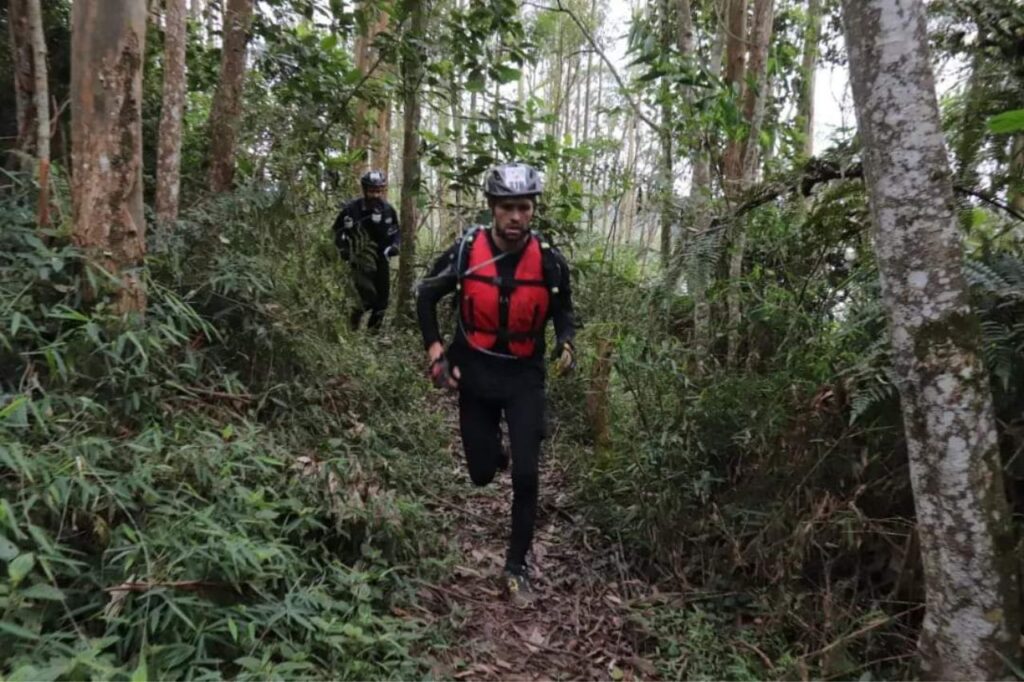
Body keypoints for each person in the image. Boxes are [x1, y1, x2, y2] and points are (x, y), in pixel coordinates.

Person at [415, 162, 577, 604]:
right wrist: (436, 353)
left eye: (523, 207)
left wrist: (566, 343)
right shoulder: (467, 251)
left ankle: (516, 566)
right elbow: (426, 295)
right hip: (476, 372)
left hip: (524, 376)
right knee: (483, 473)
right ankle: (495, 454)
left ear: (533, 210)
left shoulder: (548, 260)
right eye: (507, 207)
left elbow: (564, 311)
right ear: (492, 208)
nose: (516, 217)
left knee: (527, 475)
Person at [332, 170, 400, 330]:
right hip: (358, 259)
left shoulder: (388, 210)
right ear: (365, 190)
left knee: (382, 300)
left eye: (378, 191)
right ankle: (352, 328)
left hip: (381, 259)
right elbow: (336, 230)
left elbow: (397, 232)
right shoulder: (351, 209)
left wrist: (395, 246)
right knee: (365, 298)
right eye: (371, 191)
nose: (375, 195)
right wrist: (342, 249)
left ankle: (374, 333)